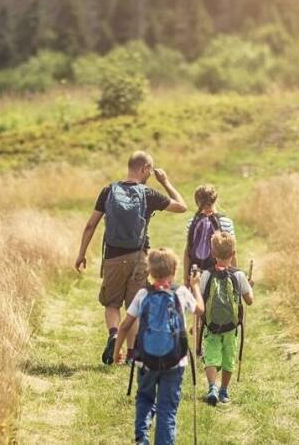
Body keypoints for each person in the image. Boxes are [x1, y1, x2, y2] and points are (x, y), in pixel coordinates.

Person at [76, 151, 187, 365]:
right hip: (139, 257)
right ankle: (130, 354)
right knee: (133, 306)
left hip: (113, 257)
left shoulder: (108, 191)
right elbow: (181, 206)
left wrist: (81, 253)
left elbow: (91, 225)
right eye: (150, 171)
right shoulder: (147, 193)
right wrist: (165, 181)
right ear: (145, 168)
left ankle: (114, 334)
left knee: (111, 303)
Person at [113, 248, 204, 445]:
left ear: (149, 270)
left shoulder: (143, 294)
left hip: (146, 360)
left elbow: (125, 325)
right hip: (175, 361)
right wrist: (195, 286)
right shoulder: (180, 292)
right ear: (174, 269)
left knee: (145, 398)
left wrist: (116, 351)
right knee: (167, 408)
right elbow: (200, 310)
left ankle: (142, 438)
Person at [199, 232, 254, 405]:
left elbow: (200, 298)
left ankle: (212, 388)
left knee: (211, 356)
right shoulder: (239, 275)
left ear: (212, 253)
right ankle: (223, 391)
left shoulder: (206, 275)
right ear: (233, 253)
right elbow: (249, 301)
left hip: (211, 326)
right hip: (231, 327)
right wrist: (249, 287)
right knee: (228, 358)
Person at [183, 184, 236, 285]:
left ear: (197, 202)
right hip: (220, 276)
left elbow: (187, 252)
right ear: (215, 199)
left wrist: (186, 278)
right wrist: (235, 275)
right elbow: (233, 252)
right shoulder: (226, 222)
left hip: (196, 275)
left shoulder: (192, 222)